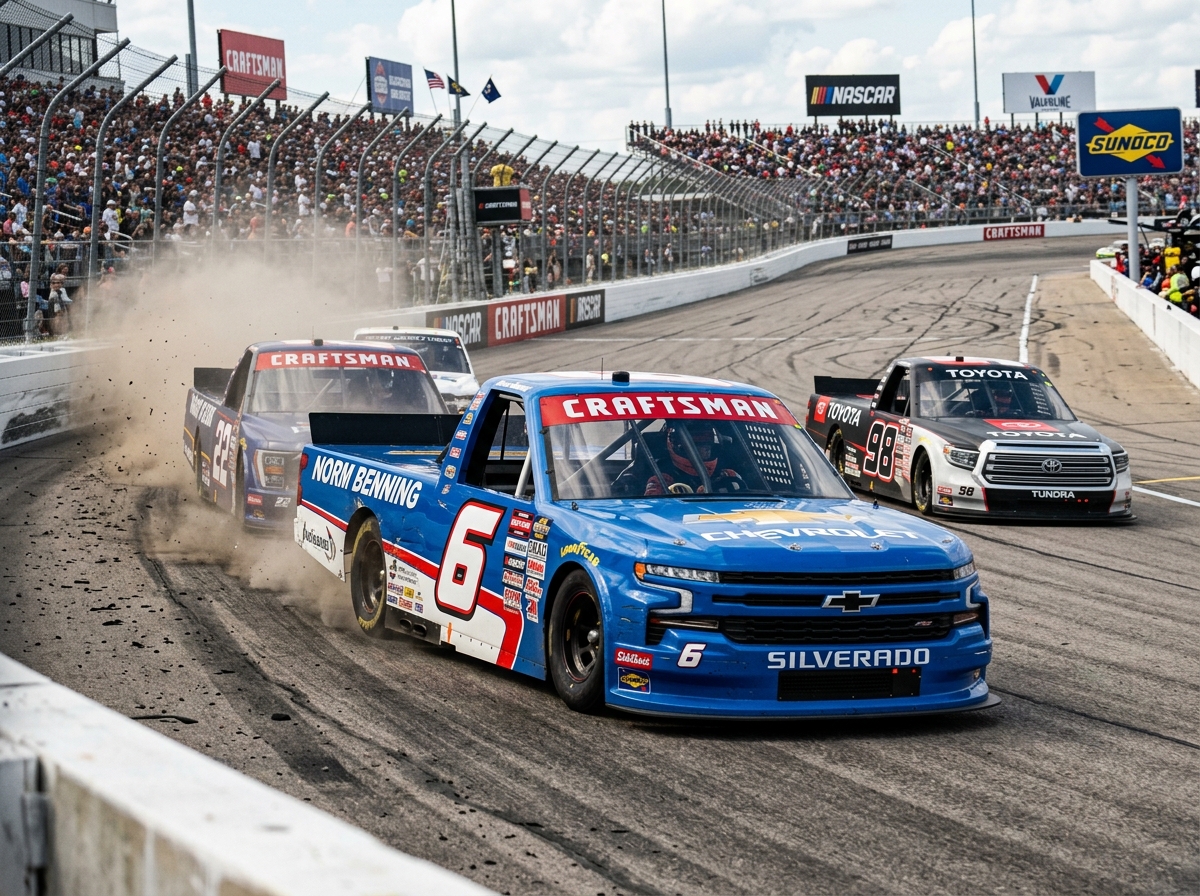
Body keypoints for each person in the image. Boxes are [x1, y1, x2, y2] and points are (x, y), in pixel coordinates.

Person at [644, 422, 745, 495]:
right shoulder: (662, 479)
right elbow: (653, 508)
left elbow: (746, 492)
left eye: (708, 447)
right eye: (699, 448)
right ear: (681, 448)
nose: (706, 452)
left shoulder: (727, 474)